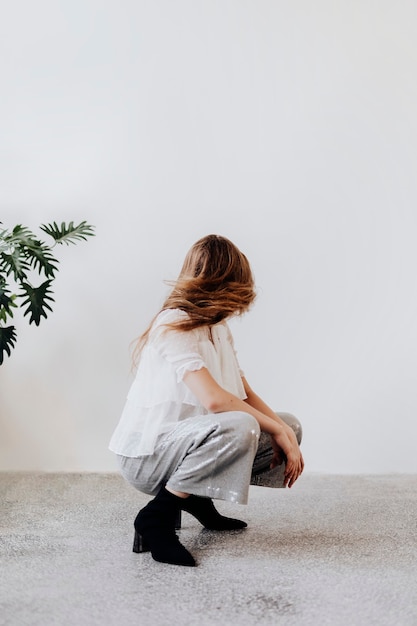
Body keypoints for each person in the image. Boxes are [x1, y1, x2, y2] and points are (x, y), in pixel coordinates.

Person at [109, 234, 304, 567]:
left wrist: (284, 431)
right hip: (147, 455)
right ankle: (155, 517)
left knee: (289, 423)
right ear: (220, 282)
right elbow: (215, 401)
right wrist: (276, 430)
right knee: (241, 425)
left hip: (186, 446)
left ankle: (196, 497)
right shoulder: (173, 324)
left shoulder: (218, 326)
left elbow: (244, 393)